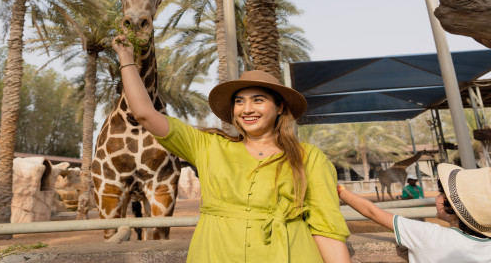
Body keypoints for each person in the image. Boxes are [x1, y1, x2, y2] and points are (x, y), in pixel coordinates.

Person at [112, 35, 351, 262]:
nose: (247, 109)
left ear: (279, 108)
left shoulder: (309, 158)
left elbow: (327, 229)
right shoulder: (207, 147)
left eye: (258, 100)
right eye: (239, 101)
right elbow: (144, 113)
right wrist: (126, 58)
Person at [337, 163, 491, 263]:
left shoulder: (428, 235)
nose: (437, 196)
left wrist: (339, 189)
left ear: (451, 207)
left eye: (442, 193)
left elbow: (372, 212)